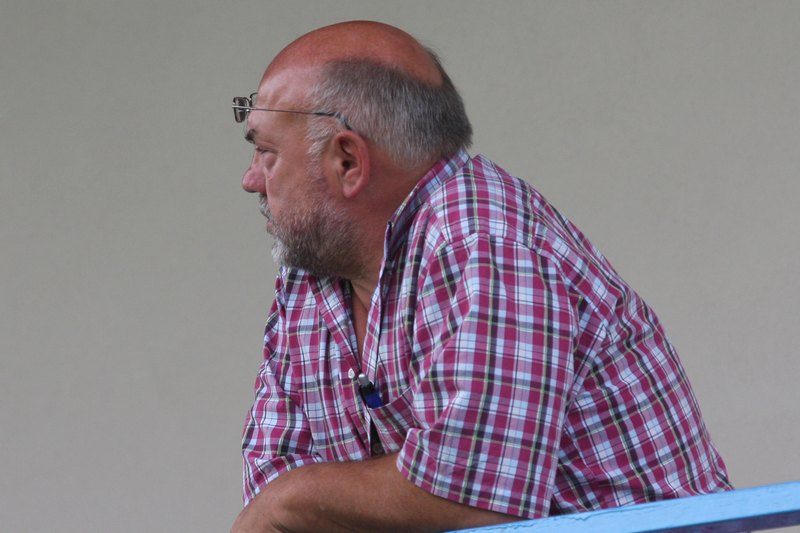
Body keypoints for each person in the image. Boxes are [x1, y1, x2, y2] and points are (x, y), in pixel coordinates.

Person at [230, 20, 731, 533]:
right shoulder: (310, 275)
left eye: (266, 153)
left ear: (347, 161)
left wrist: (291, 502)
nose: (250, 180)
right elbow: (270, 476)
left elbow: (475, 500)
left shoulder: (484, 240)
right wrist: (288, 503)